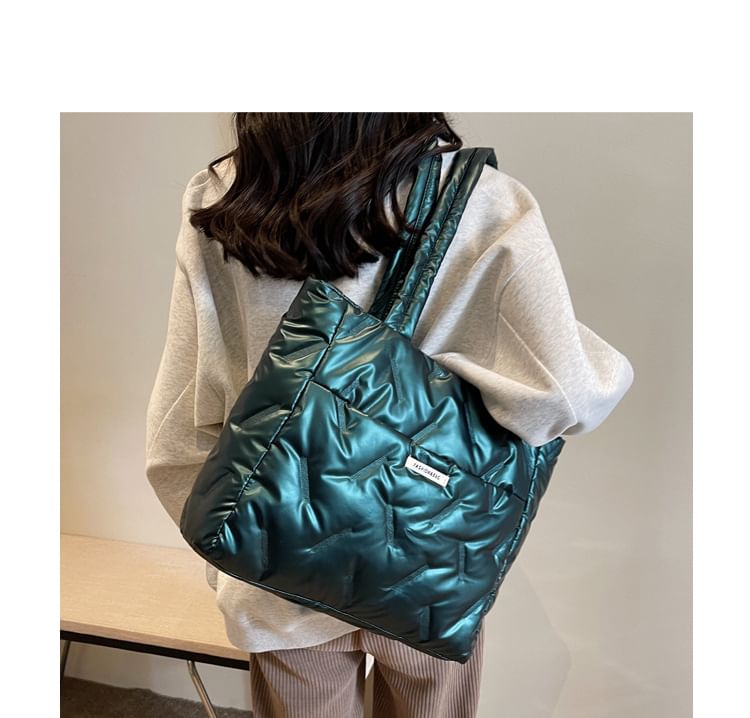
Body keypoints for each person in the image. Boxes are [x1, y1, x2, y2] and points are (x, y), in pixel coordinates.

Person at [145, 113, 634, 717]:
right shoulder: (484, 202)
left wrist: (230, 551)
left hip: (274, 554)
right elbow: (563, 398)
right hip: (429, 567)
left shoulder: (226, 195)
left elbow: (182, 417)